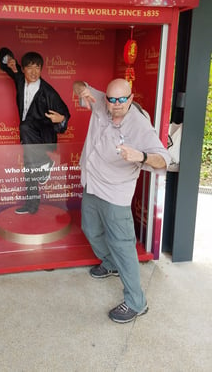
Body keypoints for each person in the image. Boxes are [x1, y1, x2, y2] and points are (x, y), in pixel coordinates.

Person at [73, 78, 170, 323]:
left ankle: (137, 303)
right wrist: (81, 89)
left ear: (131, 98)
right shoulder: (101, 103)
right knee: (90, 229)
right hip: (92, 184)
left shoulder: (139, 124)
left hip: (115, 193)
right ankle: (109, 264)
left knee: (123, 246)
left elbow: (164, 159)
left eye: (121, 99)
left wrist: (142, 155)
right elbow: (78, 83)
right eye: (111, 99)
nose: (115, 104)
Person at [0, 47, 70, 215]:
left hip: (43, 138)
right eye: (30, 67)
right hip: (29, 138)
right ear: (23, 69)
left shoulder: (48, 92)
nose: (34, 71)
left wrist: (61, 120)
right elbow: (3, 54)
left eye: (37, 67)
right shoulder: (19, 79)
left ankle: (45, 161)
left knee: (24, 126)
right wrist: (8, 59)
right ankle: (31, 205)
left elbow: (65, 114)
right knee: (30, 170)